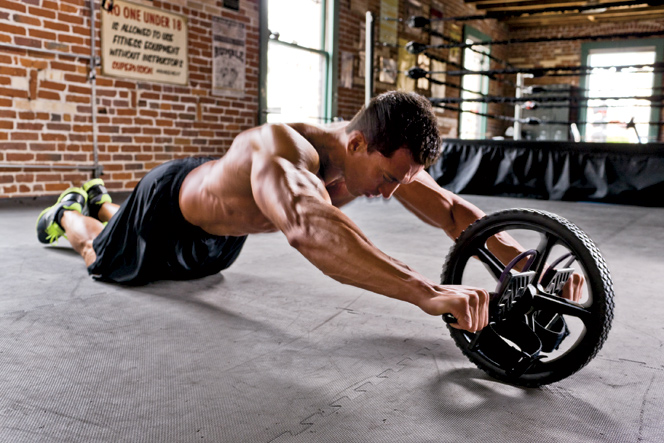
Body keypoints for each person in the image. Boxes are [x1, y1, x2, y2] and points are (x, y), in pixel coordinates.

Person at [36, 91, 582, 333]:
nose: (391, 194)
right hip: (168, 207)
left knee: (171, 254)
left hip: (222, 235)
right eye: (389, 180)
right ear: (360, 144)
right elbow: (308, 228)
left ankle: (105, 200)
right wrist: (427, 291)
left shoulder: (374, 157)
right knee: (99, 258)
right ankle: (69, 212)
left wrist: (523, 265)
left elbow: (449, 210)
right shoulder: (281, 151)